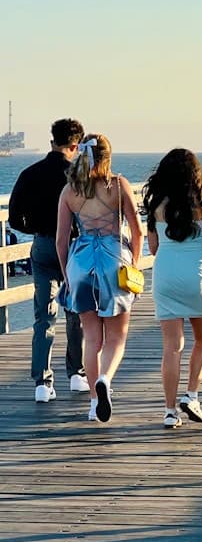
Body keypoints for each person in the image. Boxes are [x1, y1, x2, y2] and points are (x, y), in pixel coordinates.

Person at [56, 134, 143, 422]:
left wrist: (68, 275)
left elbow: (60, 240)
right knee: (117, 336)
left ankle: (94, 402)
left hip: (80, 261)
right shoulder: (117, 185)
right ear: (107, 156)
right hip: (112, 258)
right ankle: (105, 378)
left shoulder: (70, 191)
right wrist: (135, 263)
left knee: (91, 337)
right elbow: (137, 230)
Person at [8, 118, 89, 403]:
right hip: (75, 247)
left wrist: (37, 229)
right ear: (75, 145)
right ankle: (77, 374)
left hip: (43, 245)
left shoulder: (30, 173)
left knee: (44, 315)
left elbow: (15, 217)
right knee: (76, 312)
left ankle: (42, 382)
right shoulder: (79, 177)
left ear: (51, 141)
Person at [143, 149, 202, 429]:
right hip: (197, 276)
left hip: (165, 276)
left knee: (172, 347)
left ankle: (168, 410)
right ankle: (192, 395)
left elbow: (152, 248)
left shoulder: (156, 206)